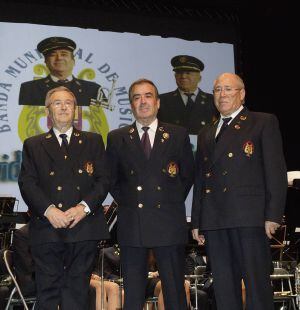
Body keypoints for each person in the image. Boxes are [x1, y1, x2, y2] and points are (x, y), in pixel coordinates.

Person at [191, 72, 287, 310]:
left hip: (249, 218)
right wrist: (197, 221)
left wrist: (273, 215)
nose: (221, 95)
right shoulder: (206, 133)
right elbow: (201, 179)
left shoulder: (262, 122)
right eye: (217, 90)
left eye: (228, 89)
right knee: (224, 289)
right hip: (215, 220)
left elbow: (275, 171)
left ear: (241, 94)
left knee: (257, 288)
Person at [18, 86, 110, 309]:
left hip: (84, 229)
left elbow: (104, 180)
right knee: (47, 296)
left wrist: (83, 208)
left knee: (77, 296)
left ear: (76, 110)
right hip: (47, 229)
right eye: (57, 103)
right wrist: (50, 210)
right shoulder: (33, 144)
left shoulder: (94, 141)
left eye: (69, 102)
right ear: (48, 110)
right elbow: (27, 183)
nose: (63, 107)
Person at [106, 78, 194, 309]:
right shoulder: (117, 137)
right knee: (133, 295)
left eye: (147, 96)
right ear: (131, 105)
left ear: (157, 102)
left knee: (175, 292)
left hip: (168, 221)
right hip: (133, 222)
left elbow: (186, 176)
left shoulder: (178, 134)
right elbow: (111, 180)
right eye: (137, 97)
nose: (142, 101)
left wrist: (166, 200)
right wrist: (133, 202)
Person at [19, 36, 101, 107]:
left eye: (64, 54)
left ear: (73, 61)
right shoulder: (28, 89)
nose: (59, 58)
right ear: (46, 61)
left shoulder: (94, 89)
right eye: (52, 55)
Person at [158, 55, 218, 135]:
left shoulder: (213, 101)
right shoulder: (162, 100)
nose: (183, 76)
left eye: (188, 73)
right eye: (179, 73)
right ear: (175, 76)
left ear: (199, 78)